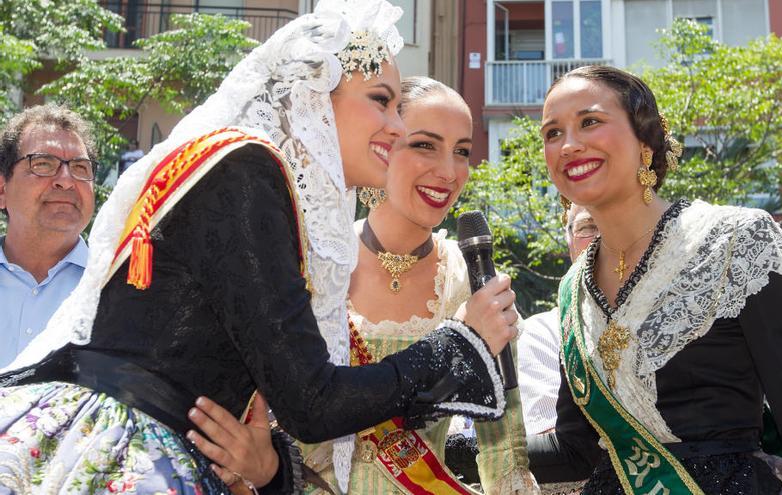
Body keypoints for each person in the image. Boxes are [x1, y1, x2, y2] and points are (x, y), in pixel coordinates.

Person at [0, 2, 516, 494]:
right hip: (121, 448)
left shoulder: (247, 169)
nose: (397, 126)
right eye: (380, 100)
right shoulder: (248, 168)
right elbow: (312, 403)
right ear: (315, 92)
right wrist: (462, 343)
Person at [187, 76, 539, 495]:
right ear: (382, 144)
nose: (449, 172)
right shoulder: (308, 267)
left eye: (462, 151)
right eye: (425, 145)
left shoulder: (471, 286)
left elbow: (505, 455)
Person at [526, 65, 782, 494]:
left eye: (589, 121)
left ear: (644, 140)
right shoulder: (573, 287)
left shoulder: (738, 241)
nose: (569, 145)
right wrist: (455, 444)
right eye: (552, 133)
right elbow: (577, 449)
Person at [0, 105, 95, 368]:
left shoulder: (122, 289)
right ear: (1, 189)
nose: (66, 180)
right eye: (43, 164)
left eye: (80, 167)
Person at [518, 203, 595, 437]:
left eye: (616, 222)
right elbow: (551, 441)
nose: (603, 238)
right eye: (588, 226)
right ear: (569, 240)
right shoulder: (543, 334)